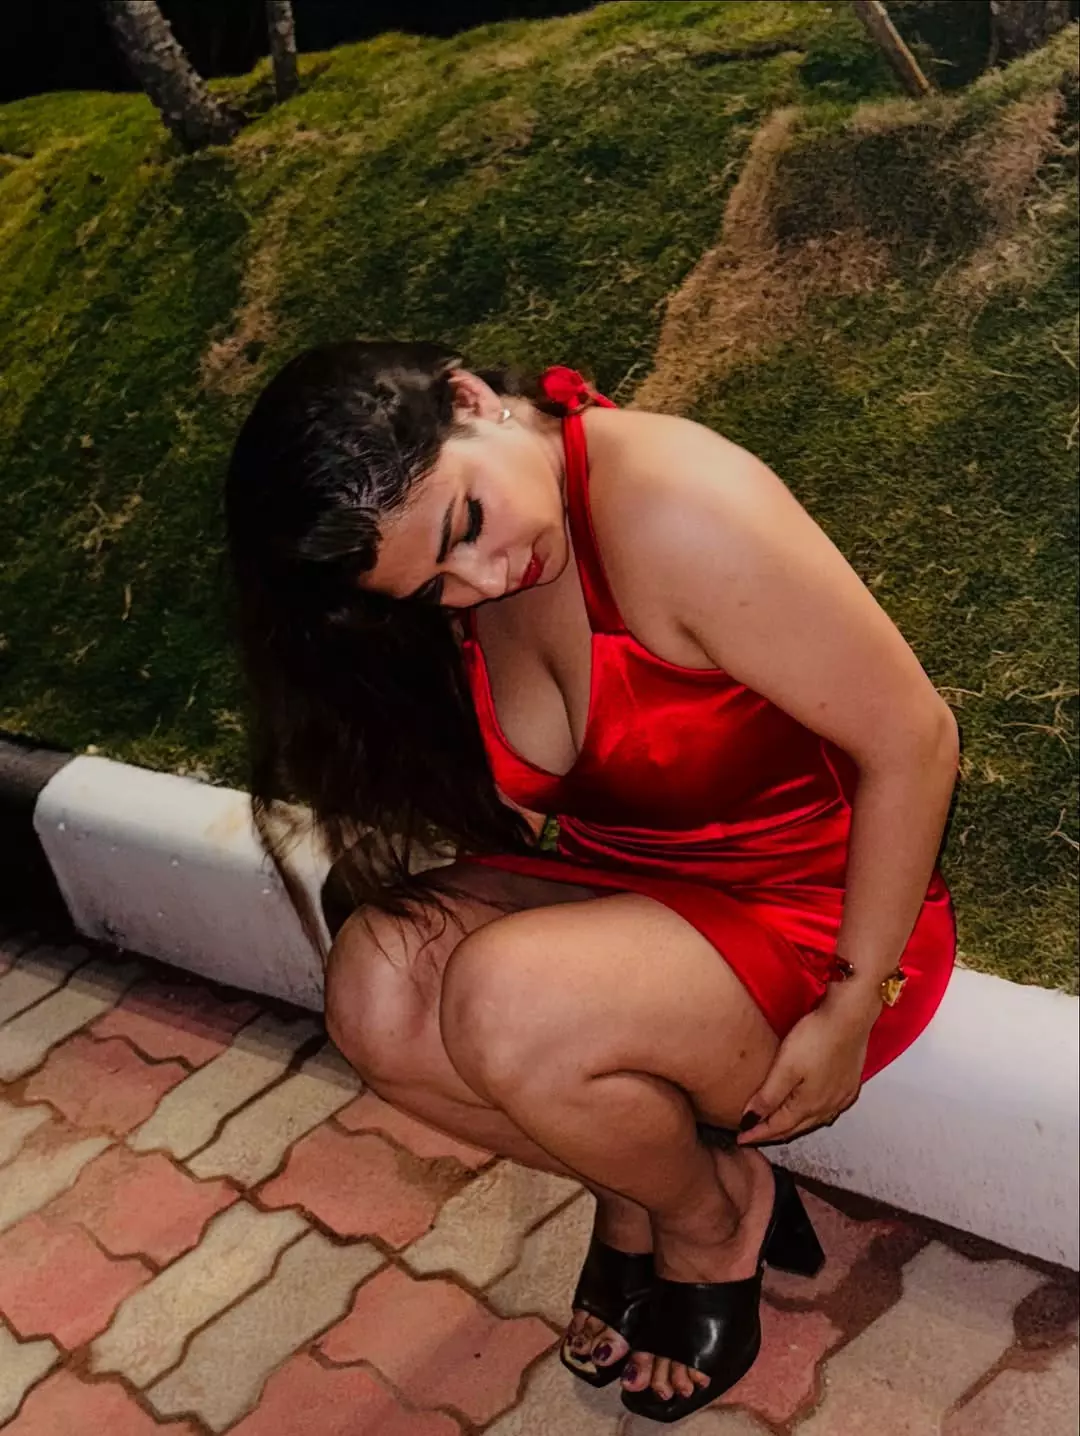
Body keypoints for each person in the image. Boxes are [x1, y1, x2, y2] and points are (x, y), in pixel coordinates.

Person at [225, 340, 958, 1424]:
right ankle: (644, 1191)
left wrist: (854, 1003)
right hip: (639, 894)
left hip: (817, 913)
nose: (481, 583)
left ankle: (710, 1221)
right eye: (433, 586)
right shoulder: (497, 537)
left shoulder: (677, 508)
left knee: (505, 998)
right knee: (378, 984)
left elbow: (917, 741)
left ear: (471, 398)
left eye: (465, 527)